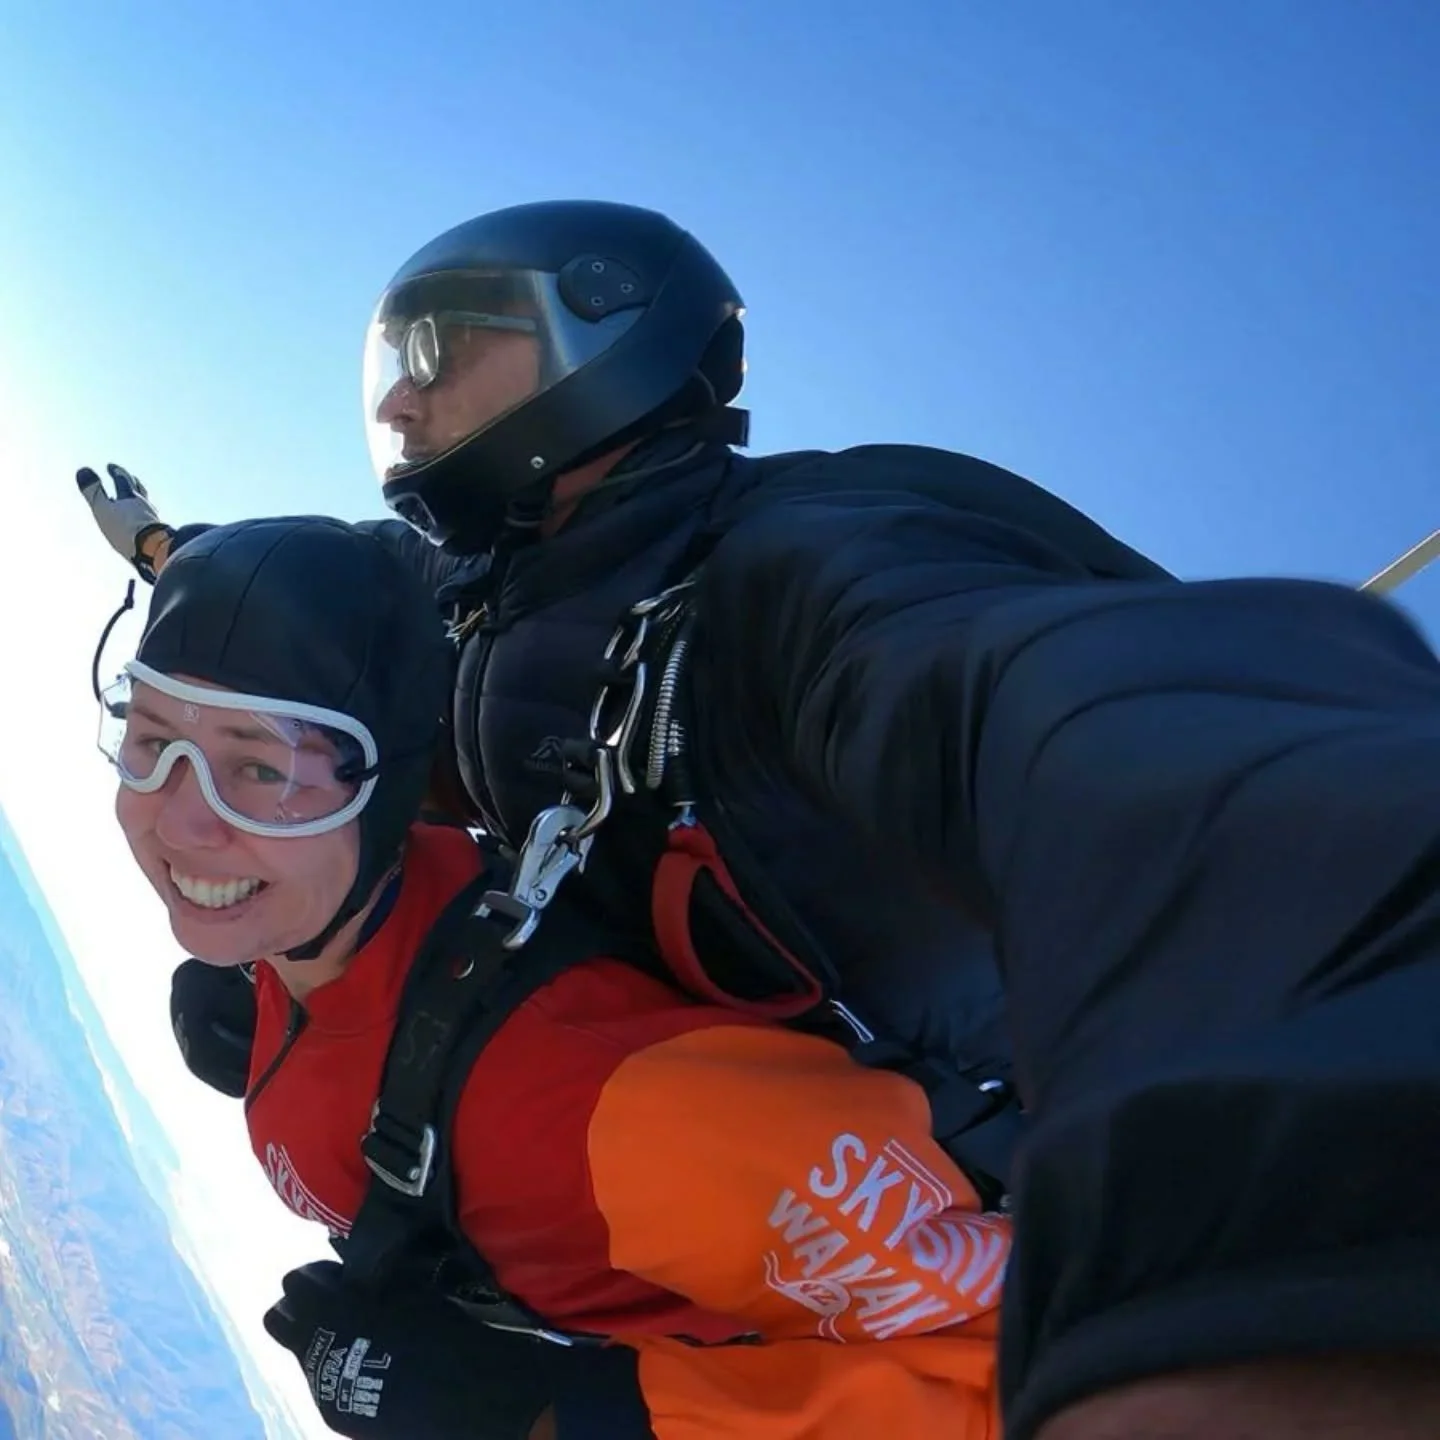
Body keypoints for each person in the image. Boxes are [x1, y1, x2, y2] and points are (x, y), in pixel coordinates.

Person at [81, 197, 1440, 1440]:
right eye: (404, 357)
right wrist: (173, 555)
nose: (413, 388)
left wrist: (1353, 1115)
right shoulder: (517, 588)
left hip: (882, 1221)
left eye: (452, 346)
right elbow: (360, 599)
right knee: (237, 1008)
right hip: (641, 1078)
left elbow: (1098, 725)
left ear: (609, 348)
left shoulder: (819, 572)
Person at [99, 512, 1018, 1440]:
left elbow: (1016, 1358)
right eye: (150, 738)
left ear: (390, 785)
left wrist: (540, 1419)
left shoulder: (620, 1112)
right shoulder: (311, 922)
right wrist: (269, 1009)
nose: (182, 821)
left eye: (258, 768)